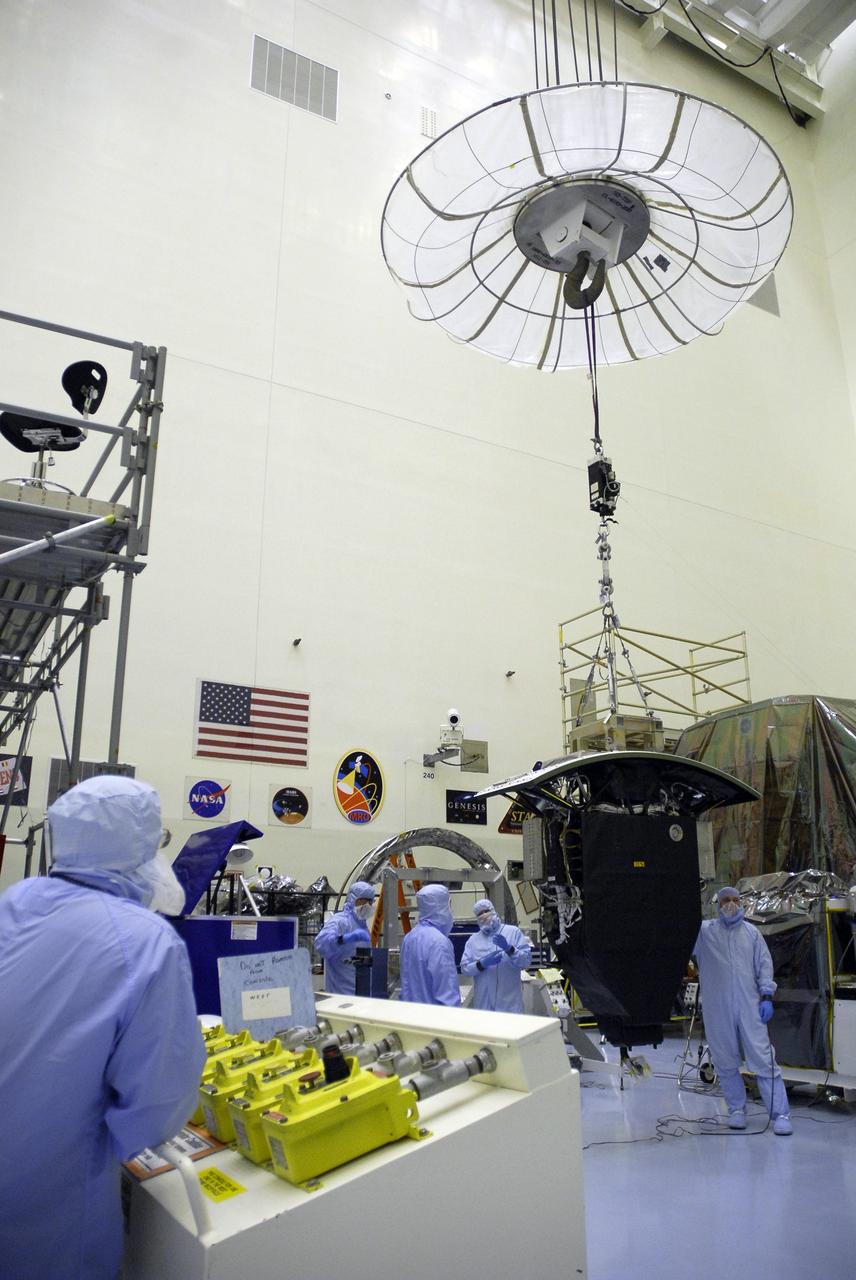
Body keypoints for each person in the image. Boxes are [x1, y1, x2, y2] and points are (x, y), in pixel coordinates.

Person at [0, 775, 206, 1280]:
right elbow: (157, 1110)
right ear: (133, 842)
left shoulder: (15, 902)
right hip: (48, 1212)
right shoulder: (146, 941)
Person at [694, 885, 792, 1135]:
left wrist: (766, 996)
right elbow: (681, 941)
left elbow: (764, 966)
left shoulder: (751, 934)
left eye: (735, 900)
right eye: (726, 900)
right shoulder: (704, 933)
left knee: (762, 1057)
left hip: (749, 1006)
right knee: (724, 1059)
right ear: (718, 905)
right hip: (718, 1008)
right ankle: (736, 1110)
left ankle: (780, 1113)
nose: (730, 904)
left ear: (741, 903)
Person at [460, 898, 532, 1013]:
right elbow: (465, 969)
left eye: (486, 911)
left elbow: (526, 961)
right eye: (479, 914)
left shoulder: (513, 932)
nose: (484, 915)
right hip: (484, 1008)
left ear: (493, 911)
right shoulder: (473, 941)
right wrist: (481, 964)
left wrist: (510, 949)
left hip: (510, 1007)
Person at [399, 883, 461, 1006]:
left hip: (410, 1016)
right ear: (441, 907)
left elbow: (406, 985)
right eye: (449, 905)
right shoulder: (439, 943)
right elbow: (448, 995)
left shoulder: (409, 938)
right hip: (434, 1019)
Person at [314, 880, 377, 994]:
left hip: (361, 993)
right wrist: (345, 939)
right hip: (341, 995)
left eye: (370, 901)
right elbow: (321, 943)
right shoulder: (340, 921)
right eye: (362, 900)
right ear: (352, 900)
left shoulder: (362, 926)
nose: (366, 905)